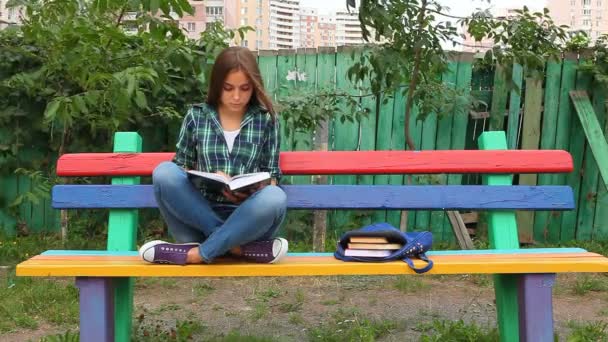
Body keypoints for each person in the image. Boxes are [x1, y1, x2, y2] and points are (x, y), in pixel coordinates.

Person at [139, 46, 288, 265]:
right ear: (217, 85)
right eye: (228, 88)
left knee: (275, 196)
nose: (236, 96)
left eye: (244, 88)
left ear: (254, 87)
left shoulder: (266, 120)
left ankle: (196, 255)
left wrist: (254, 189)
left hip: (246, 223)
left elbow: (272, 175)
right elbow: (180, 168)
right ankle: (234, 248)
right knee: (164, 172)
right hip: (199, 220)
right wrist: (205, 177)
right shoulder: (197, 116)